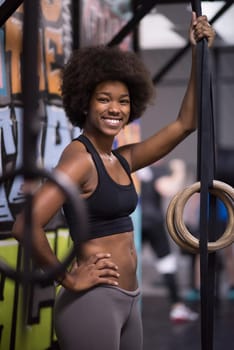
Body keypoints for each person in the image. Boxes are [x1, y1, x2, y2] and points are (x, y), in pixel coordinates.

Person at [12, 12, 215, 350]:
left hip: (130, 299)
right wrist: (69, 278)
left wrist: (197, 52)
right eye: (104, 99)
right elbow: (25, 225)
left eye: (123, 101)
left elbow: (185, 124)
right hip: (94, 301)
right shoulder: (80, 159)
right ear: (85, 103)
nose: (115, 109)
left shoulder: (123, 158)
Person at [139, 161, 198, 323]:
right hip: (150, 223)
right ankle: (177, 307)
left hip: (136, 223)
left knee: (132, 263)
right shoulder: (155, 169)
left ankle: (177, 307)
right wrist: (179, 170)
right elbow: (168, 189)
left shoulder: (137, 168)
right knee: (166, 263)